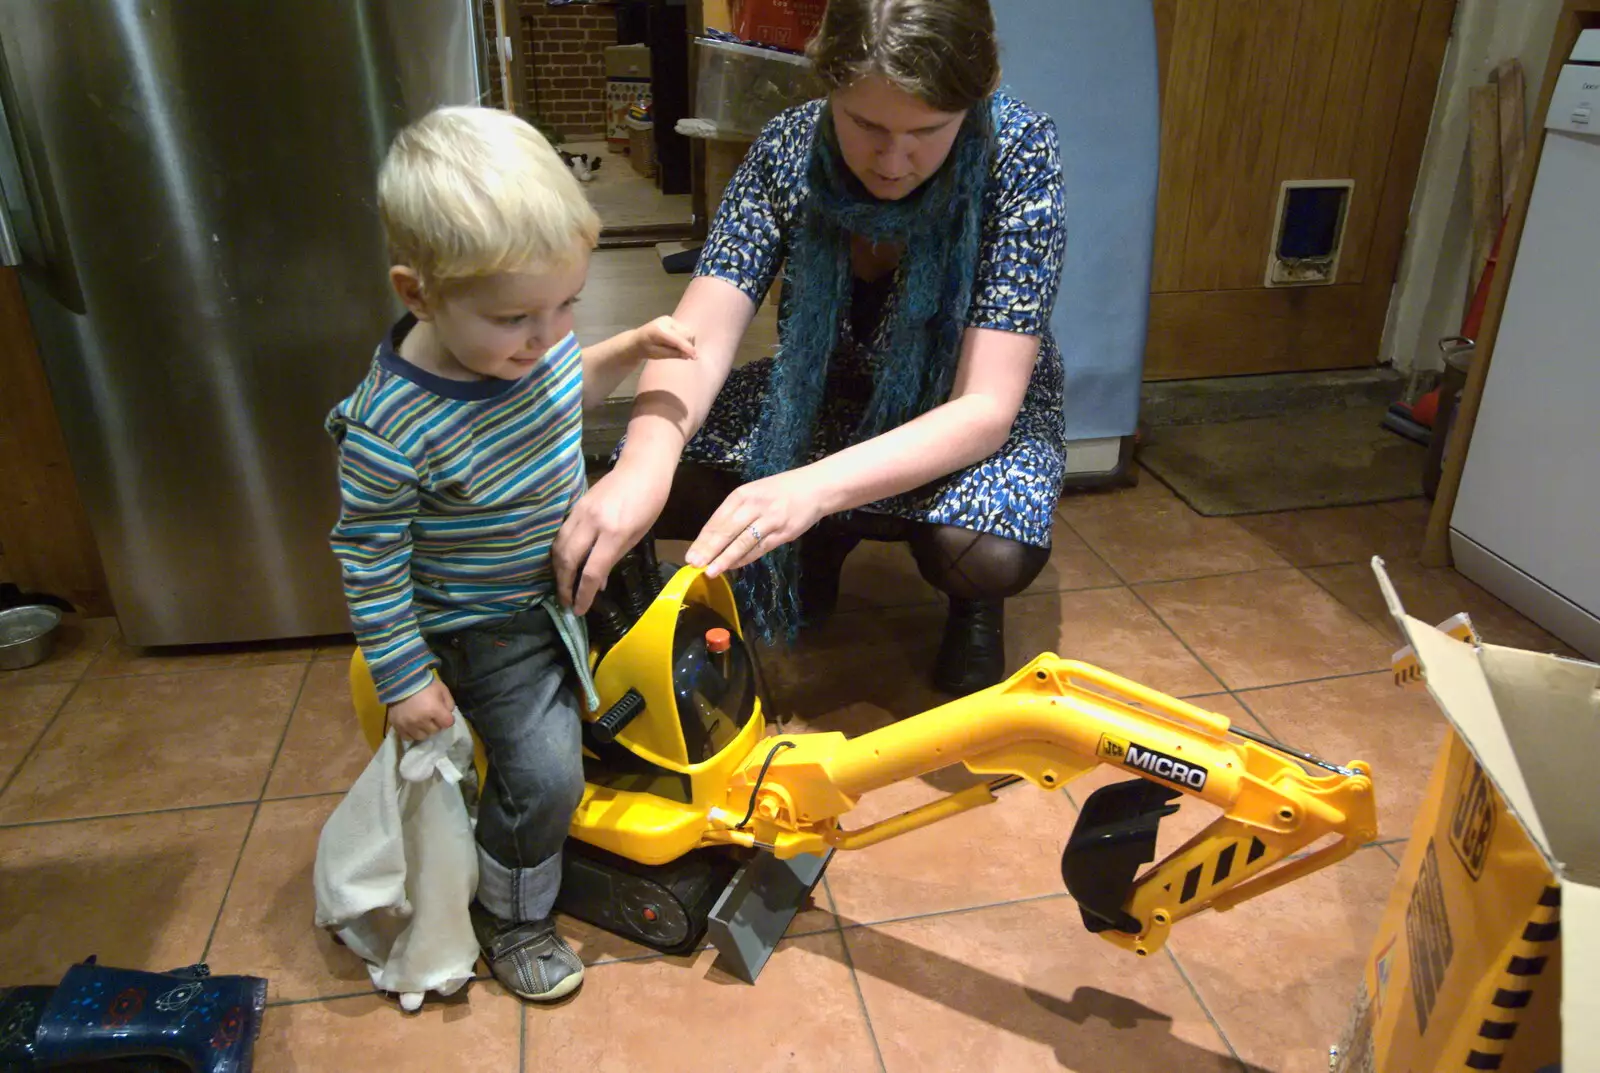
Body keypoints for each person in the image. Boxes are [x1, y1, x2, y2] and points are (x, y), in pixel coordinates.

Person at [554, 0, 1067, 694]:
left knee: (984, 552)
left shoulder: (1022, 154)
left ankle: (967, 604)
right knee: (649, 470)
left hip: (960, 405)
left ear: (977, 96)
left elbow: (984, 407)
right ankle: (822, 536)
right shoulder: (788, 149)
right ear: (825, 83)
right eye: (865, 124)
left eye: (927, 131)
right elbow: (699, 333)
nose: (893, 160)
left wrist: (810, 488)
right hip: (824, 387)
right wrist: (644, 464)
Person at [324, 105, 695, 1003]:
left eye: (567, 302)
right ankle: (514, 915)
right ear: (417, 294)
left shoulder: (523, 350)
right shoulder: (392, 427)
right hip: (480, 627)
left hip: (556, 585)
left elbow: (565, 381)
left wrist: (627, 348)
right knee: (542, 773)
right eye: (519, 316)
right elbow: (367, 558)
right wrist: (407, 676)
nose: (549, 334)